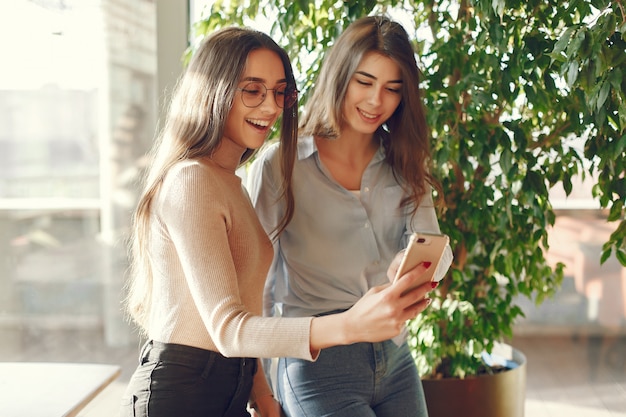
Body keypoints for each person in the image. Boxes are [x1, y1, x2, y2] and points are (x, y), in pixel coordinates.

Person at [120, 26, 437, 417]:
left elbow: (250, 308)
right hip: (179, 393)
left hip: (229, 389)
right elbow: (230, 329)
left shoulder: (229, 182)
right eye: (252, 90)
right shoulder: (192, 179)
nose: (270, 108)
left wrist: (261, 395)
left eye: (279, 92)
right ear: (214, 90)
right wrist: (348, 326)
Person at [246, 15, 454, 417]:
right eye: (365, 82)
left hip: (396, 358)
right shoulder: (281, 164)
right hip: (317, 363)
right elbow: (256, 291)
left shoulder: (403, 160)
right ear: (339, 76)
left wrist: (412, 266)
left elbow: (436, 249)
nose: (377, 101)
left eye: (393, 89)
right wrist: (260, 390)